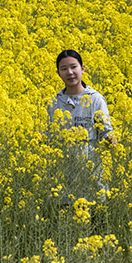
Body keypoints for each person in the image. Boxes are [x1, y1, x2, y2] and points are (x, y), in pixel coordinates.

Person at [47, 50, 116, 202]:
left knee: (95, 219)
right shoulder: (54, 102)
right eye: (64, 69)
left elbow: (105, 131)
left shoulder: (95, 99)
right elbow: (51, 135)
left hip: (91, 174)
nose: (70, 73)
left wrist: (111, 139)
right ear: (58, 73)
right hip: (64, 176)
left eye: (73, 67)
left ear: (82, 68)